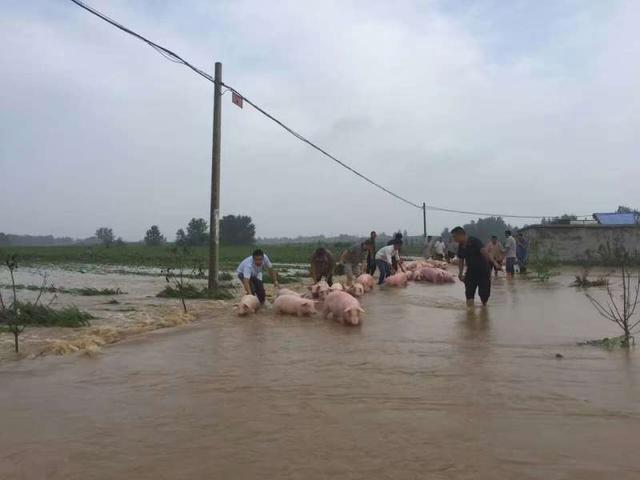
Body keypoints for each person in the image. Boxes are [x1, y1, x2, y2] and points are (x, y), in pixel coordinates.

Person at [452, 226, 499, 307]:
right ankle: (470, 315)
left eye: (454, 237)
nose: (454, 239)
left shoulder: (474, 241)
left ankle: (484, 312)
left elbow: (485, 253)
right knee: (469, 294)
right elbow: (461, 260)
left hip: (483, 272)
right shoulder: (461, 246)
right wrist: (460, 273)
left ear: (460, 235)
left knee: (484, 296)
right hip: (470, 273)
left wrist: (494, 263)